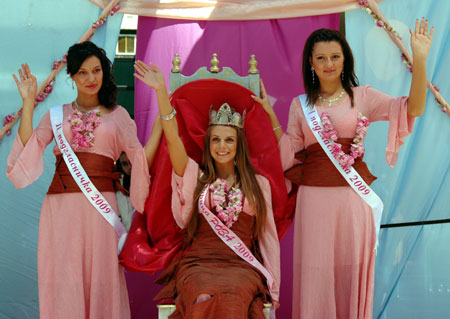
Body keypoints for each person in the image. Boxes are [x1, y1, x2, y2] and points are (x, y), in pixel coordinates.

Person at [254, 19, 433, 318]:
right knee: (316, 272)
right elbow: (288, 156)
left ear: (345, 59)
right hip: (314, 201)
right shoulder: (300, 106)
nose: (328, 64)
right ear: (310, 61)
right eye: (321, 57)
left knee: (352, 271)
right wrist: (270, 114)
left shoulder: (363, 97)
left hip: (353, 200)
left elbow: (413, 108)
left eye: (335, 56)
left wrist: (421, 59)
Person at [7, 41, 162, 319]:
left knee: (102, 276)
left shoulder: (119, 116)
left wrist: (161, 123)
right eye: (82, 73)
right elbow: (31, 149)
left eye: (96, 70)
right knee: (63, 277)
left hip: (101, 209)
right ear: (72, 76)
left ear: (104, 72)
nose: (91, 78)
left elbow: (139, 158)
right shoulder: (57, 115)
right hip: (60, 210)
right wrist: (28, 104)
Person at [133, 60, 281, 318]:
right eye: (215, 139)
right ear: (208, 144)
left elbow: (268, 237)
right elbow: (174, 139)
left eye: (229, 140)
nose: (222, 146)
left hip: (241, 266)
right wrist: (160, 91)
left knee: (233, 292)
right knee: (203, 290)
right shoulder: (195, 177)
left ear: (238, 145)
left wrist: (274, 286)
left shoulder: (259, 185)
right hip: (197, 264)